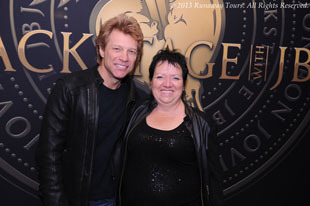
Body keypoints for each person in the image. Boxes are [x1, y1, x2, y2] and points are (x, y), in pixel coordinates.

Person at [35, 13, 146, 206]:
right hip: (77, 199)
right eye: (117, 48)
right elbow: (49, 155)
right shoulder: (70, 89)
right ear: (102, 49)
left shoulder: (137, 98)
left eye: (131, 51)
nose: (124, 58)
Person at [113, 49, 223, 206]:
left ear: (184, 84)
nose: (167, 84)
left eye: (175, 78)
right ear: (151, 82)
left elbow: (214, 181)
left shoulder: (202, 124)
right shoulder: (133, 113)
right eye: (160, 77)